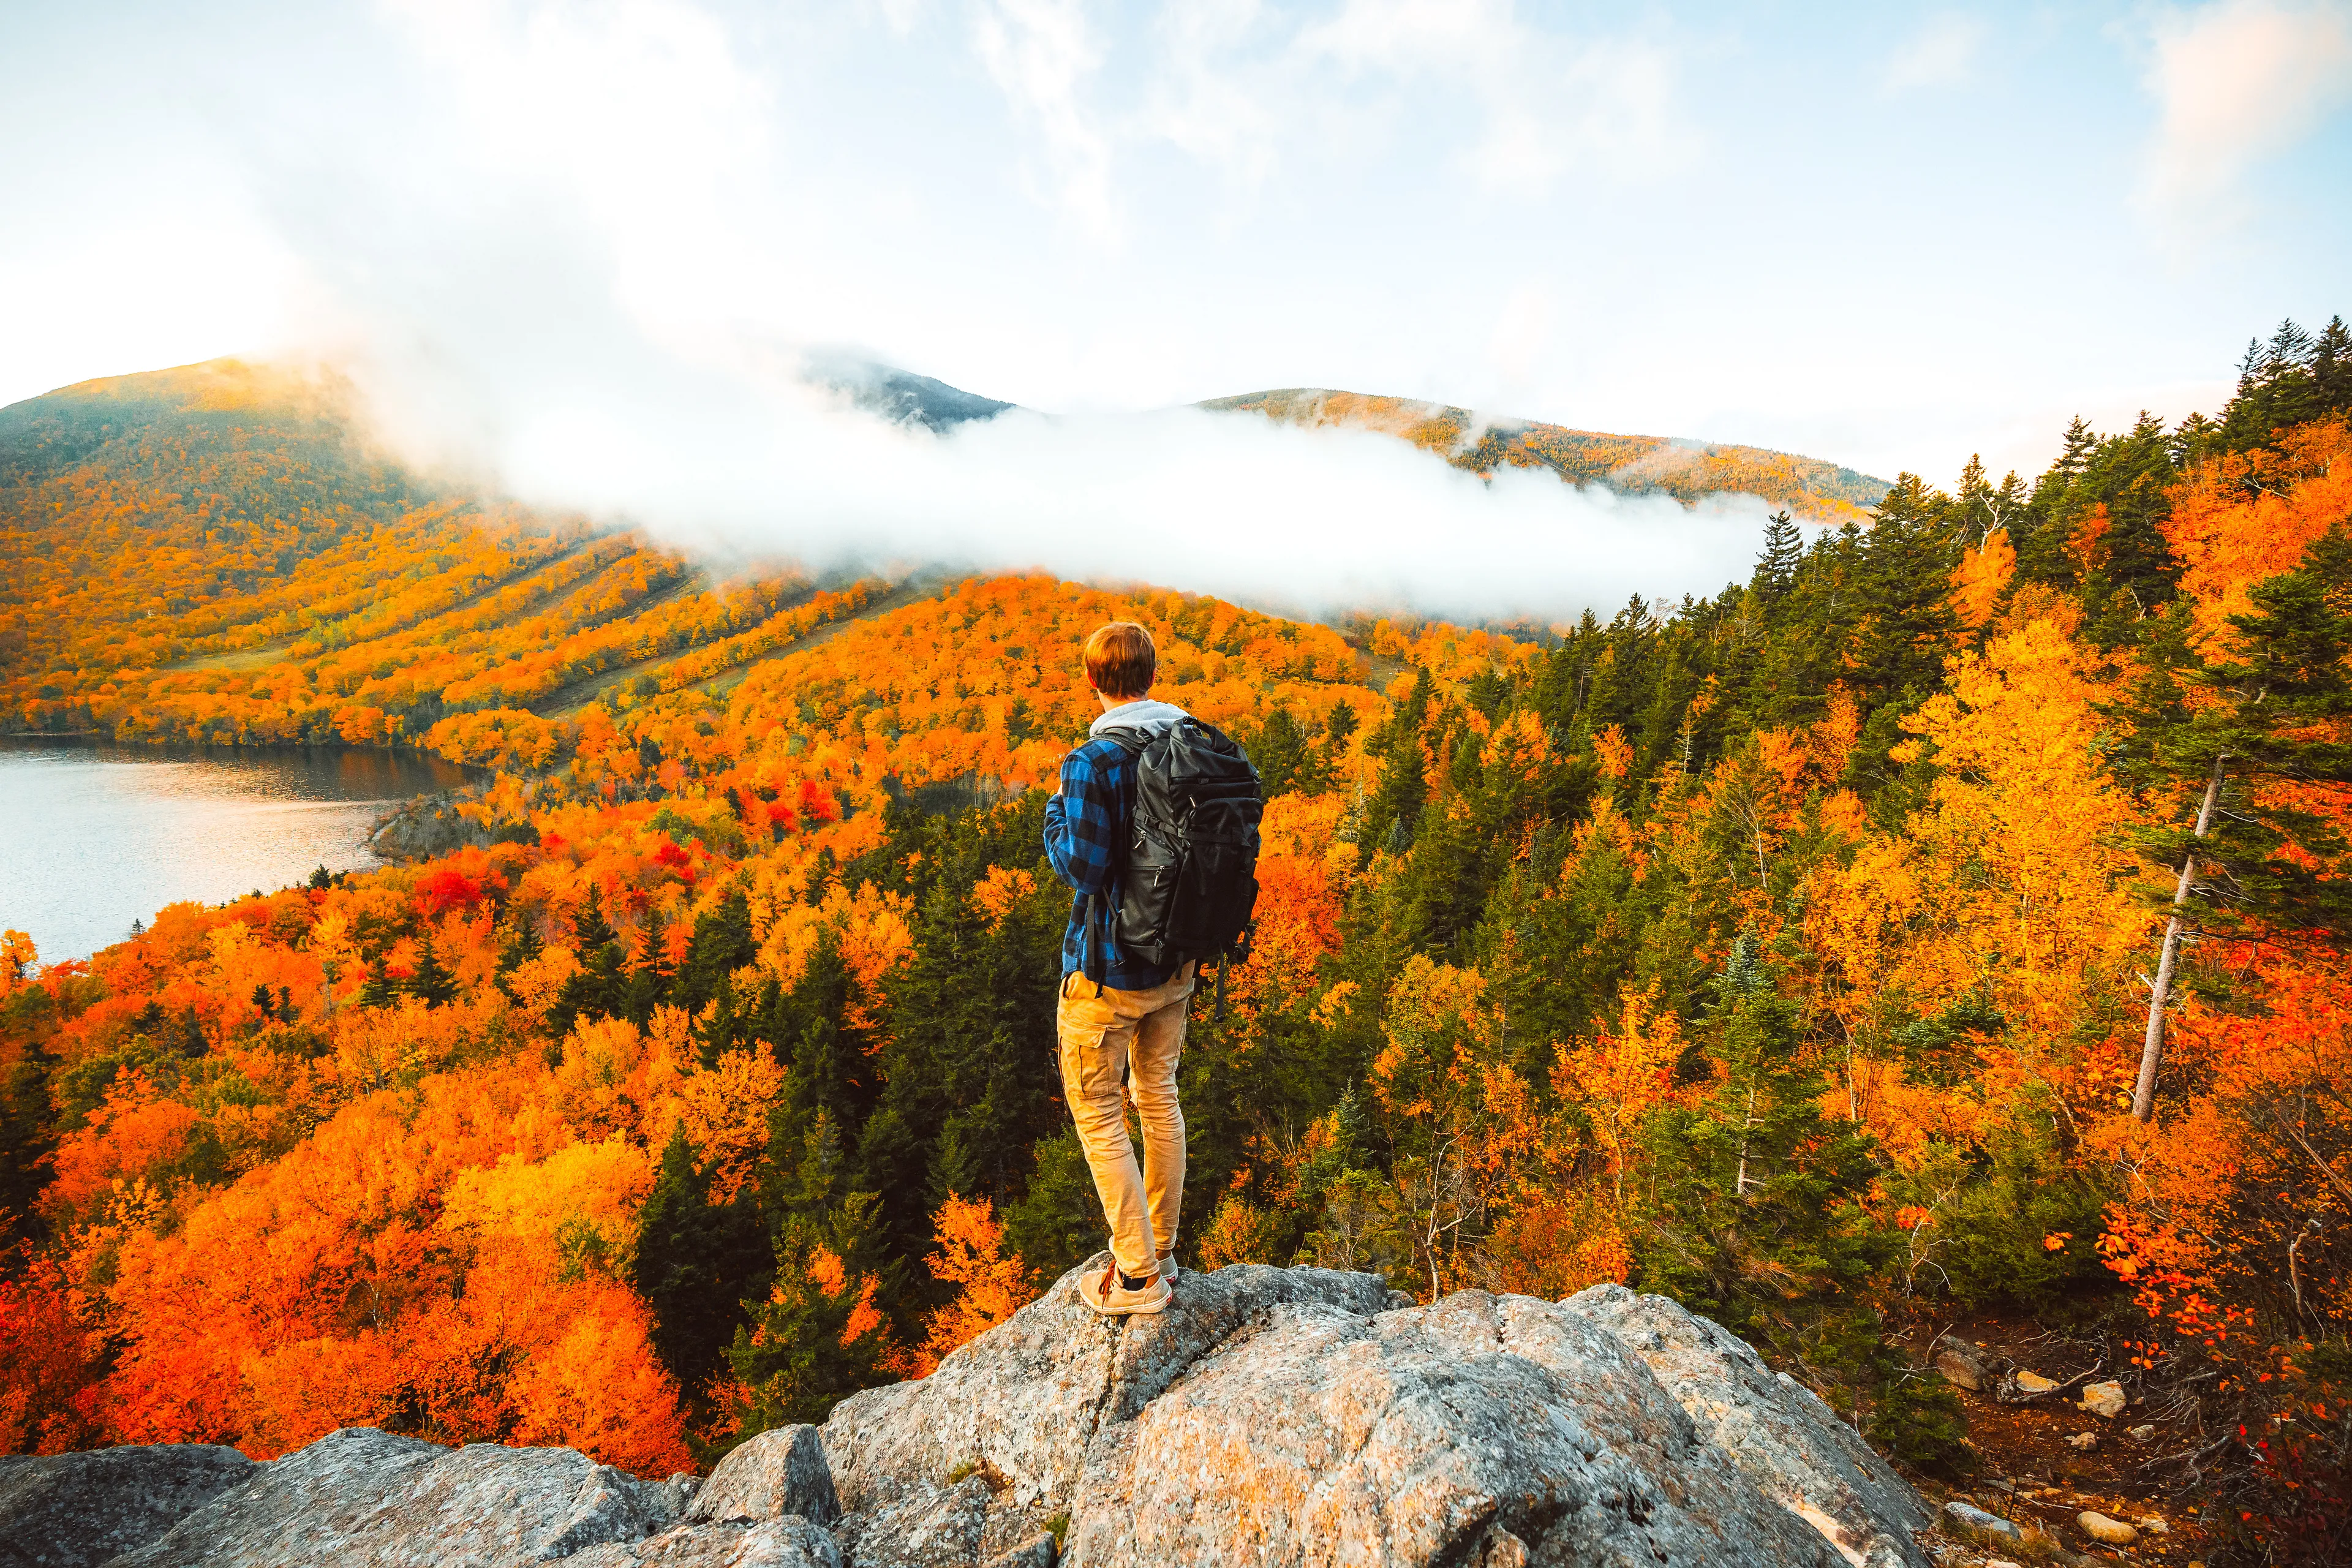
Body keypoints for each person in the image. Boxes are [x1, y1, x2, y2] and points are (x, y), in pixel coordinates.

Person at [1042, 620, 1193, 1316]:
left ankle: (1136, 1277)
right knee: (1157, 1093)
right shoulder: (1194, 741)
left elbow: (1084, 866)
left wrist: (1053, 818)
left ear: (1093, 681)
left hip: (1108, 968)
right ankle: (1160, 1247)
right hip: (1177, 961)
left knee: (1100, 1110)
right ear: (1152, 675)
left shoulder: (1091, 760)